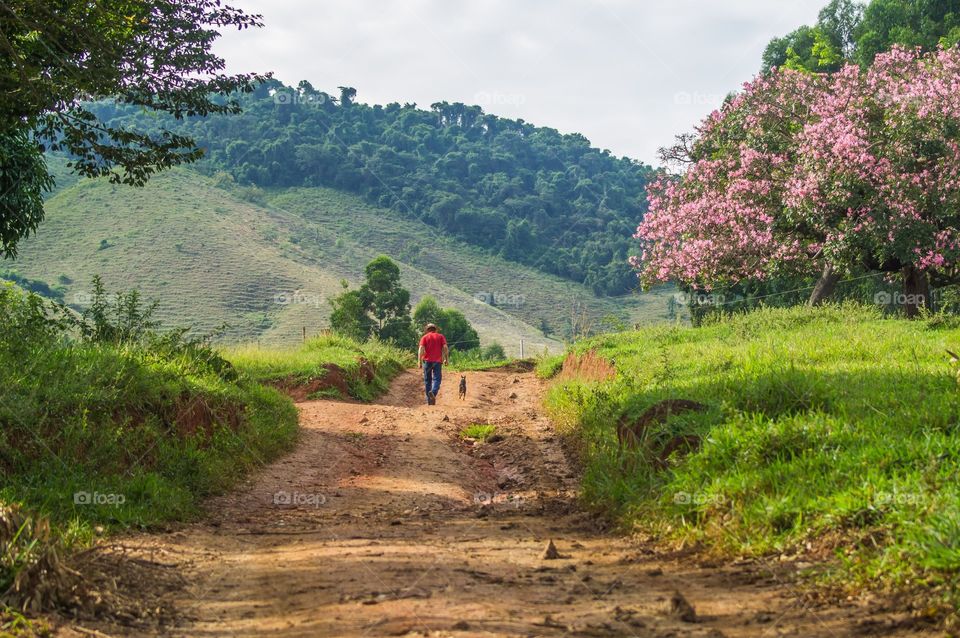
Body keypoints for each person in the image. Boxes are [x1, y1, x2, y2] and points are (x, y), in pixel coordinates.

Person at [418, 323, 449, 405]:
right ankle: (433, 392)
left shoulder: (424, 337)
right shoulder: (440, 336)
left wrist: (419, 361)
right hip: (437, 362)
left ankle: (429, 400)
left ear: (427, 330)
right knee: (437, 379)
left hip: (427, 361)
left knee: (427, 380)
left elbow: (421, 348)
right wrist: (446, 359)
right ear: (435, 329)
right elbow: (445, 347)